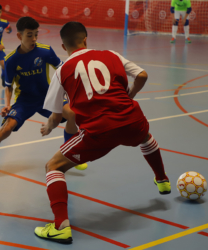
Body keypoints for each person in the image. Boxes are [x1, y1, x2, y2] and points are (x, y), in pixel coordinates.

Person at [34, 22, 171, 244]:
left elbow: (56, 115)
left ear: (63, 46)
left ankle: (60, 226)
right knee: (146, 137)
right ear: (85, 39)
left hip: (99, 132)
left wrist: (49, 127)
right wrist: (130, 95)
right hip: (131, 121)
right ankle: (162, 179)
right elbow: (143, 75)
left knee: (53, 166)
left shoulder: (62, 71)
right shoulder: (111, 54)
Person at [0, 17, 88, 184]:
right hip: (24, 101)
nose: (34, 39)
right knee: (6, 128)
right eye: (30, 35)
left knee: (71, 114)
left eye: (36, 34)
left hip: (47, 97)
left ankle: (69, 154)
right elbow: (8, 86)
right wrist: (7, 105)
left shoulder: (45, 51)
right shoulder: (11, 60)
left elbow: (63, 69)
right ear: (19, 36)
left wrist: (70, 90)